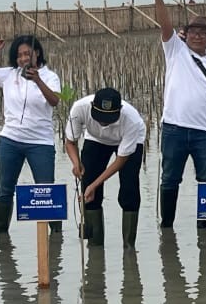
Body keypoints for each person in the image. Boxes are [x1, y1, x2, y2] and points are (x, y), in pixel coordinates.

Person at [149, 0, 206, 228]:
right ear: (186, 35)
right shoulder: (175, 50)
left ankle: (204, 229)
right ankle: (167, 227)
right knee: (169, 179)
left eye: (203, 34)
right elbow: (164, 25)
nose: (198, 37)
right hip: (174, 127)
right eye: (194, 32)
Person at [0, 34, 61, 235]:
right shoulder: (9, 74)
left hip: (40, 143)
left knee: (47, 191)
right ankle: (0, 236)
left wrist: (37, 80)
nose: (23, 59)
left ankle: (56, 238)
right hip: (10, 140)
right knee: (4, 190)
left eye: (27, 54)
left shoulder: (50, 76)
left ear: (37, 53)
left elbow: (54, 101)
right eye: (19, 55)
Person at [63, 87, 147, 247]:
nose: (104, 122)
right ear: (92, 106)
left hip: (128, 141)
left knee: (129, 190)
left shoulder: (132, 120)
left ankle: (129, 247)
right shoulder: (79, 108)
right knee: (89, 192)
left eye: (109, 119)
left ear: (120, 111)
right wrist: (76, 163)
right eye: (100, 117)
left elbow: (121, 160)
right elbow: (70, 142)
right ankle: (95, 245)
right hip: (96, 139)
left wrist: (95, 184)